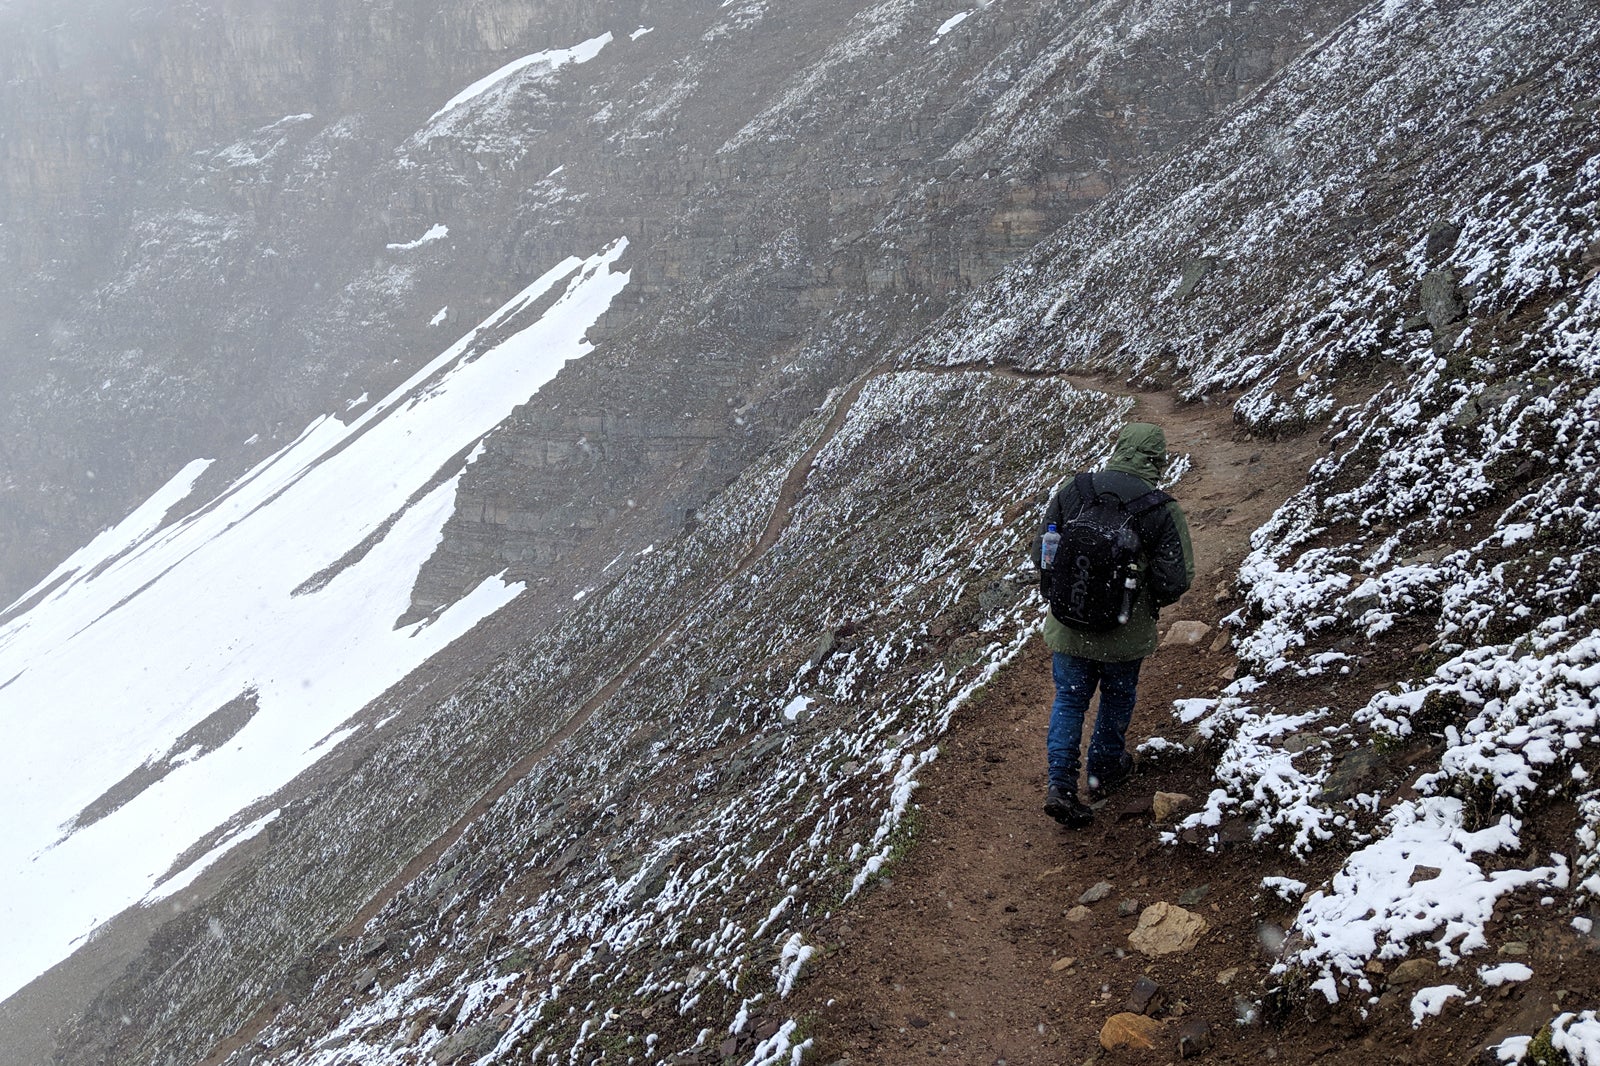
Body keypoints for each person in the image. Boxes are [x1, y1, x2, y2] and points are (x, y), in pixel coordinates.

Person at [1036, 422, 1193, 829]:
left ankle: (1061, 785)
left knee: (1070, 700)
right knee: (1117, 698)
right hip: (1123, 631)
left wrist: (1074, 589)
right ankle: (1104, 769)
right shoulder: (1160, 508)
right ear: (1158, 461)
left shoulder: (1076, 490)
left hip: (1069, 623)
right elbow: (1175, 579)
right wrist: (1137, 600)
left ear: (1119, 448)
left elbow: (1043, 550)